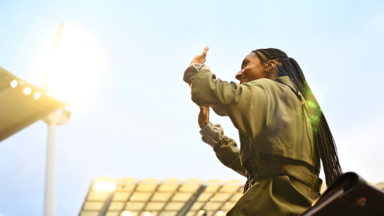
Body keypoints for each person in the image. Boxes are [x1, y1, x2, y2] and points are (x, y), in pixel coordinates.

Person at [183, 47, 343, 215]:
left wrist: (197, 70)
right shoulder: (302, 106)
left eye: (245, 64)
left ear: (271, 65)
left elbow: (218, 93)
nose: (238, 74)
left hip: (268, 204)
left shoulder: (272, 89)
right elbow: (264, 166)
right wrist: (216, 140)